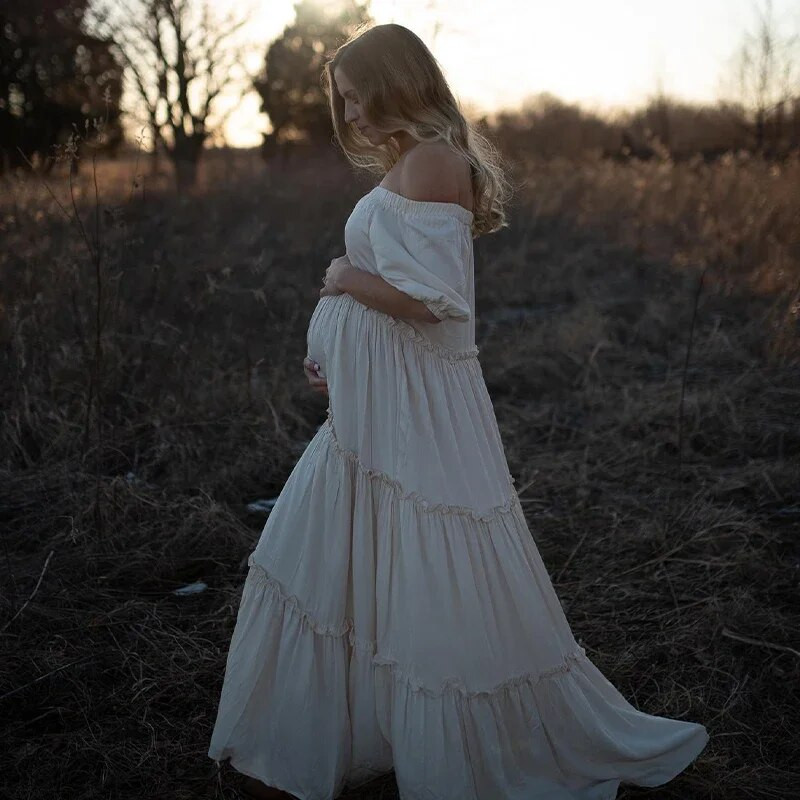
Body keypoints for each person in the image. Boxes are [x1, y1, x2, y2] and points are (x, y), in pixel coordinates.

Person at [207, 22, 709, 800]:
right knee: (350, 557)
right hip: (378, 407)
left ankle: (461, 746)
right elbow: (402, 288)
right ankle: (363, 730)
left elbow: (435, 302)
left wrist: (342, 279)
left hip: (417, 410)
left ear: (397, 83)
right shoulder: (412, 163)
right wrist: (336, 353)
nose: (350, 115)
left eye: (357, 97)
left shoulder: (435, 161)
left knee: (425, 565)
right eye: (343, 101)